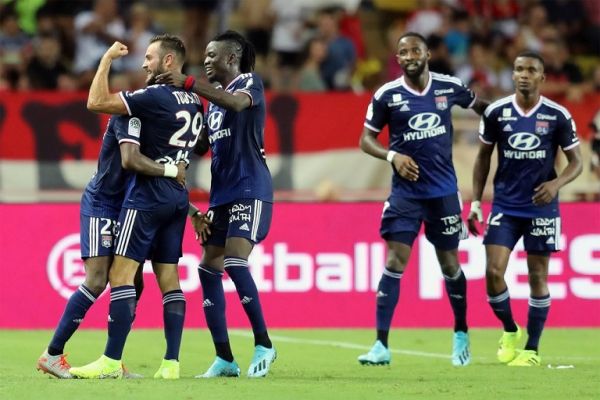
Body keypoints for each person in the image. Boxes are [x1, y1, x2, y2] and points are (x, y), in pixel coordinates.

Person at [69, 34, 204, 379]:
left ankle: (111, 360)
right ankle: (171, 364)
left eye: (149, 57)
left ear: (169, 61)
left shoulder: (151, 97)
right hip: (178, 196)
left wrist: (106, 59)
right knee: (168, 276)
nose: (143, 64)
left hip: (147, 195)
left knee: (121, 274)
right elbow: (197, 147)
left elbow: (97, 102)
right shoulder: (193, 101)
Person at [357, 32, 489, 367]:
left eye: (415, 49)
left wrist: (513, 126)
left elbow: (484, 108)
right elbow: (366, 140)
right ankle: (380, 345)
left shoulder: (448, 86)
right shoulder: (387, 95)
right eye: (403, 52)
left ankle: (460, 331)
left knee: (449, 264)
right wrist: (392, 157)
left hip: (443, 193)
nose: (410, 55)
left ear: (427, 53)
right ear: (397, 59)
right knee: (394, 262)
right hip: (405, 194)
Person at [156, 30, 276, 378]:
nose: (206, 60)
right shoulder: (213, 105)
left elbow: (238, 104)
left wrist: (189, 82)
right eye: (204, 56)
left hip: (251, 189)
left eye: (211, 55)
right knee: (208, 268)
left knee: (236, 260)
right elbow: (198, 145)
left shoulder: (248, 83)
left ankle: (264, 343)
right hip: (221, 198)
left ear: (231, 55)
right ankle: (224, 358)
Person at [36, 113, 186, 379]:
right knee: (96, 279)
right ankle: (53, 353)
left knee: (133, 282)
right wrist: (173, 170)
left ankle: (112, 360)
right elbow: (130, 160)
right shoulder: (127, 118)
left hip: (130, 206)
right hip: (103, 204)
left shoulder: (150, 123)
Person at [468, 51, 582, 367]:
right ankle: (509, 329)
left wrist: (555, 185)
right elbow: (482, 158)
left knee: (537, 276)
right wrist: (477, 201)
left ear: (542, 77)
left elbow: (577, 163)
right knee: (492, 273)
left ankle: (531, 350)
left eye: (531, 70)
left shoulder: (558, 115)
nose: (523, 75)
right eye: (519, 69)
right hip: (505, 204)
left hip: (542, 208)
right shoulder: (496, 112)